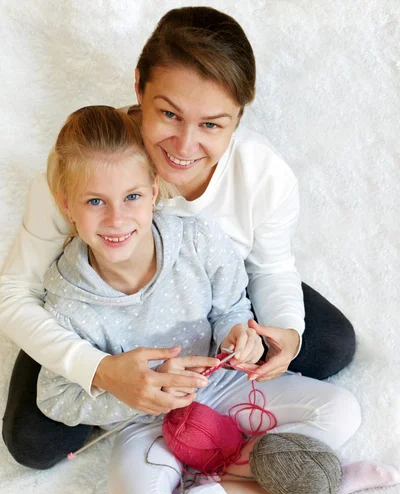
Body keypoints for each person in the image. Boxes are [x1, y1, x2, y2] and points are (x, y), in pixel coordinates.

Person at [35, 105, 398, 494]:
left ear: (155, 191)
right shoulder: (65, 299)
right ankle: (316, 487)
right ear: (65, 203)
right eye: (94, 202)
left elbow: (231, 305)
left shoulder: (197, 240)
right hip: (147, 425)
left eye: (132, 196)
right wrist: (123, 391)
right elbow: (54, 397)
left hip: (222, 389)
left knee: (343, 411)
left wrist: (238, 333)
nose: (117, 218)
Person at [1, 6, 356, 470]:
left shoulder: (264, 175)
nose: (185, 147)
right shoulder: (87, 171)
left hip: (207, 296)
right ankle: (136, 400)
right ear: (139, 90)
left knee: (328, 343)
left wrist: (284, 331)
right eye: (169, 114)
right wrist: (101, 370)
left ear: (238, 118)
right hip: (99, 315)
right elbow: (14, 294)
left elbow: (269, 267)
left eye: (212, 125)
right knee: (31, 442)